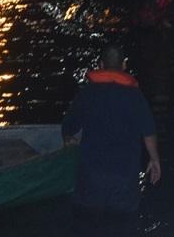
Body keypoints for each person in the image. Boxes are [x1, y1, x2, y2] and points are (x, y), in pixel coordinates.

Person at [62, 44, 161, 216]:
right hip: (123, 184)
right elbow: (148, 132)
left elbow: (69, 128)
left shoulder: (87, 94)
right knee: (124, 231)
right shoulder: (135, 97)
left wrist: (68, 138)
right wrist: (154, 160)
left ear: (100, 65)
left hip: (90, 183)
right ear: (123, 66)